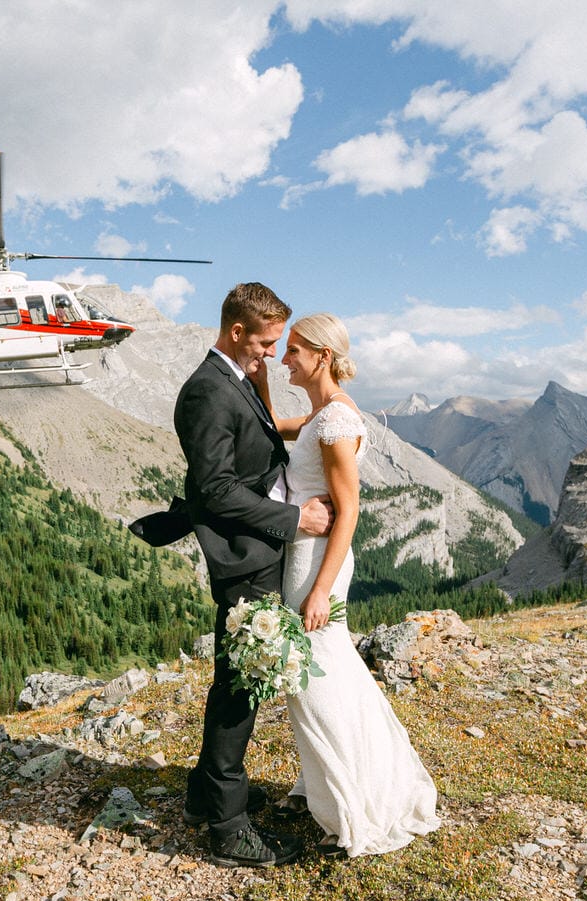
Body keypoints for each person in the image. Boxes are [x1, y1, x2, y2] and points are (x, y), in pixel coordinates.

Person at [172, 282, 334, 868]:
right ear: (237, 331)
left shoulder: (233, 380)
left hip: (259, 550)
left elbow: (253, 448)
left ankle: (204, 797)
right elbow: (214, 491)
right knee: (241, 685)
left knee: (236, 678)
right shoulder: (206, 393)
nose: (271, 353)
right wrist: (296, 519)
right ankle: (229, 825)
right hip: (243, 554)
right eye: (266, 343)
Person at [272, 312, 441, 857]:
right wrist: (248, 383)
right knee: (322, 667)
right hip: (306, 556)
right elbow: (277, 424)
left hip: (317, 560)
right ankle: (328, 780)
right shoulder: (323, 413)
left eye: (293, 349)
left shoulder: (336, 423)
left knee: (315, 673)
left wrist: (321, 590)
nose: (283, 358)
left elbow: (348, 512)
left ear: (321, 356)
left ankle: (355, 801)